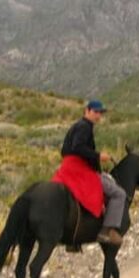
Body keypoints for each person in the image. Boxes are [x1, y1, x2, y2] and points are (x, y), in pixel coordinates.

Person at [51, 99, 125, 247]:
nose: (98, 115)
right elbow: (78, 147)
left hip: (67, 168)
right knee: (118, 193)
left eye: (100, 113)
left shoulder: (78, 126)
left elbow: (67, 150)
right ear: (87, 110)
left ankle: (74, 240)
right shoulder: (85, 127)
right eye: (96, 112)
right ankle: (106, 231)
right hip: (78, 170)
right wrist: (98, 156)